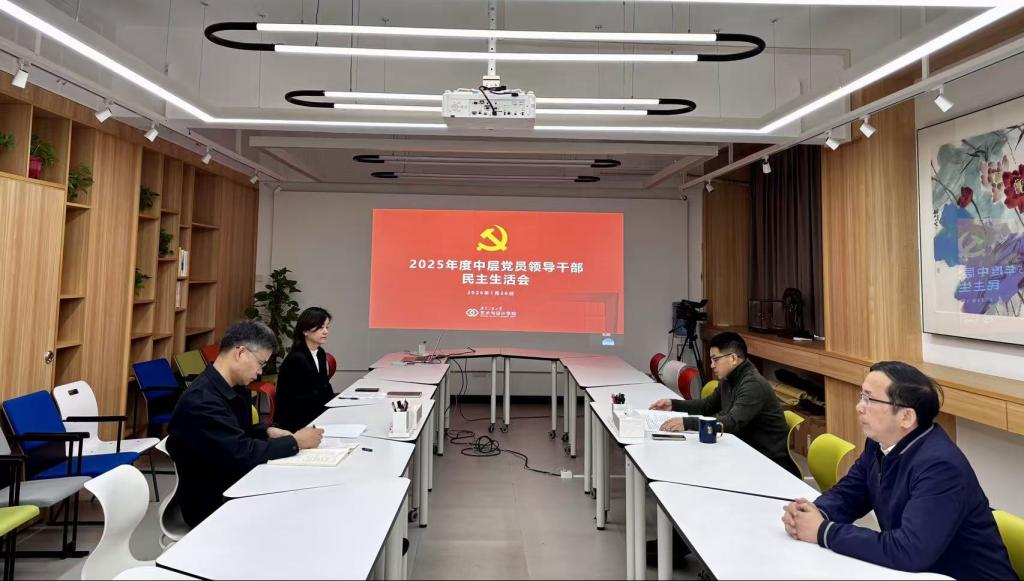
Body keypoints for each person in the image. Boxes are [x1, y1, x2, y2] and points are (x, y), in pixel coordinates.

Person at [782, 362, 1014, 580]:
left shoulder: (940, 467)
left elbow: (909, 550)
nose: (859, 407)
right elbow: (849, 494)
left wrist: (824, 531)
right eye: (861, 396)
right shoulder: (879, 443)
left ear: (906, 417)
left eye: (870, 399)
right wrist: (814, 513)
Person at [167, 320, 323, 527]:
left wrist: (268, 431)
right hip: (213, 502)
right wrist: (296, 442)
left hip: (235, 482)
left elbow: (239, 432)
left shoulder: (232, 388)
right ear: (241, 353)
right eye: (261, 363)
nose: (260, 372)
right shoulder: (202, 401)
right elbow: (242, 452)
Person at [650, 332, 799, 476]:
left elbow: (732, 422)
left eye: (715, 360)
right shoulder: (730, 378)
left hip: (768, 464)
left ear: (733, 358)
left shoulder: (752, 384)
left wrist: (687, 423)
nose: (712, 365)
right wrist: (674, 405)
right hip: (743, 452)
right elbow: (707, 406)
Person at [274, 307, 336, 432]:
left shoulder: (320, 353)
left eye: (327, 327)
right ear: (305, 330)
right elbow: (300, 400)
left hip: (314, 414)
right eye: (320, 327)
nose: (325, 332)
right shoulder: (297, 358)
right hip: (296, 422)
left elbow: (324, 386)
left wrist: (335, 406)